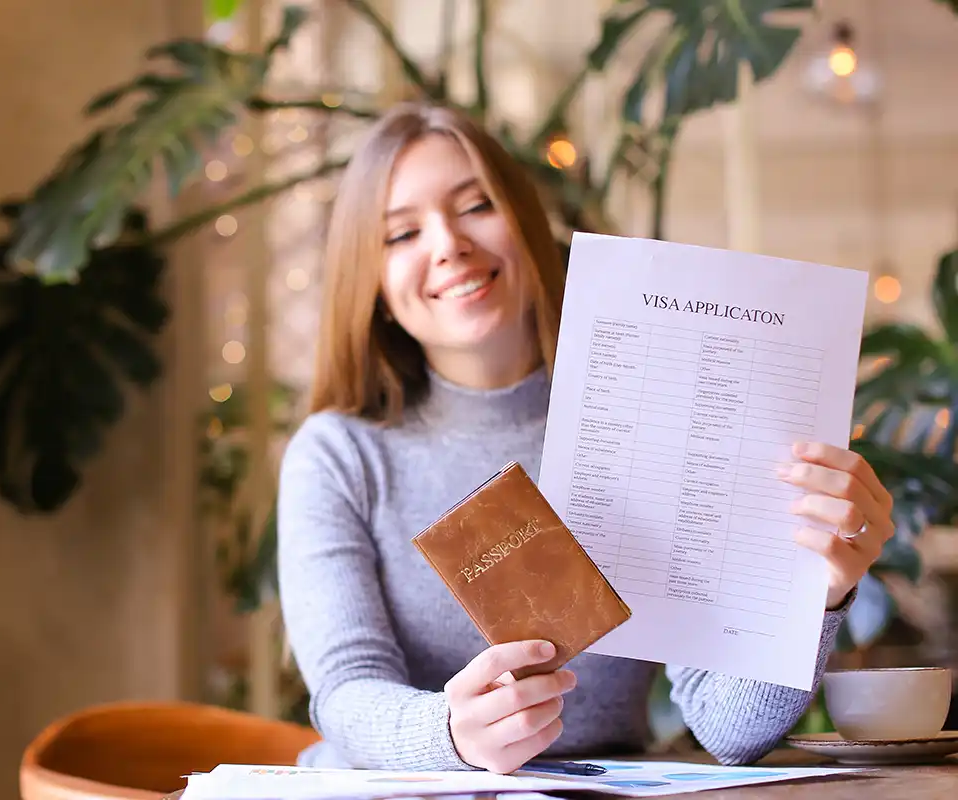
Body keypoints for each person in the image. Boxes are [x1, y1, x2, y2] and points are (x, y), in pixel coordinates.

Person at [274, 102, 894, 775]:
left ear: (526, 223)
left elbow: (729, 730)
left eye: (476, 204)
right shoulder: (340, 454)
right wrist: (450, 734)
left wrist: (819, 590)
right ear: (372, 287)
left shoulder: (643, 421)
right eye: (401, 235)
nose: (448, 244)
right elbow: (344, 690)